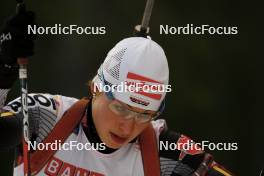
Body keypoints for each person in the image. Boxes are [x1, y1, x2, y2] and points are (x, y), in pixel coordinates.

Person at [0, 10, 234, 176]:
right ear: (96, 88)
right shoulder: (45, 118)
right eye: (120, 108)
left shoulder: (165, 153)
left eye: (144, 115)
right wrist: (5, 67)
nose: (127, 126)